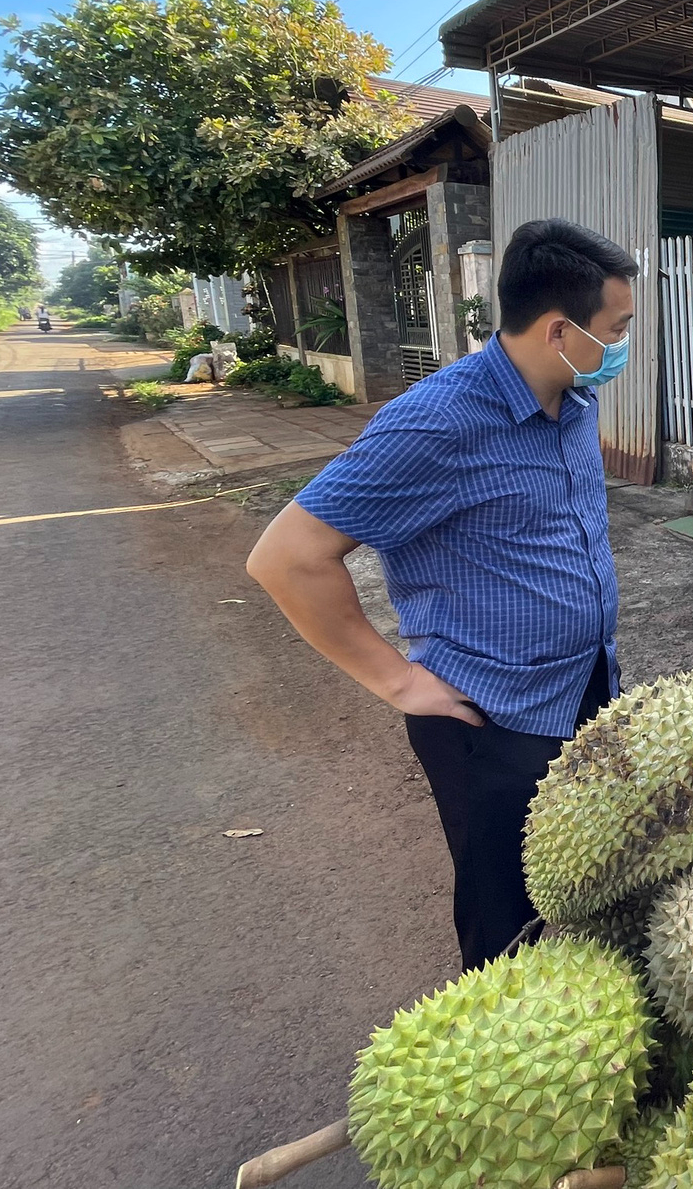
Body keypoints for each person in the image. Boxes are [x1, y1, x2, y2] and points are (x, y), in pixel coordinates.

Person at [247, 218, 637, 970]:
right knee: (510, 926)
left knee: (591, 888)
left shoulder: (576, 403)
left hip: (586, 689)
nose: (623, 345)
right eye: (616, 329)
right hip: (490, 720)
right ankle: (504, 1070)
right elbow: (287, 558)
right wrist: (395, 679)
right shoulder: (437, 422)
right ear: (560, 330)